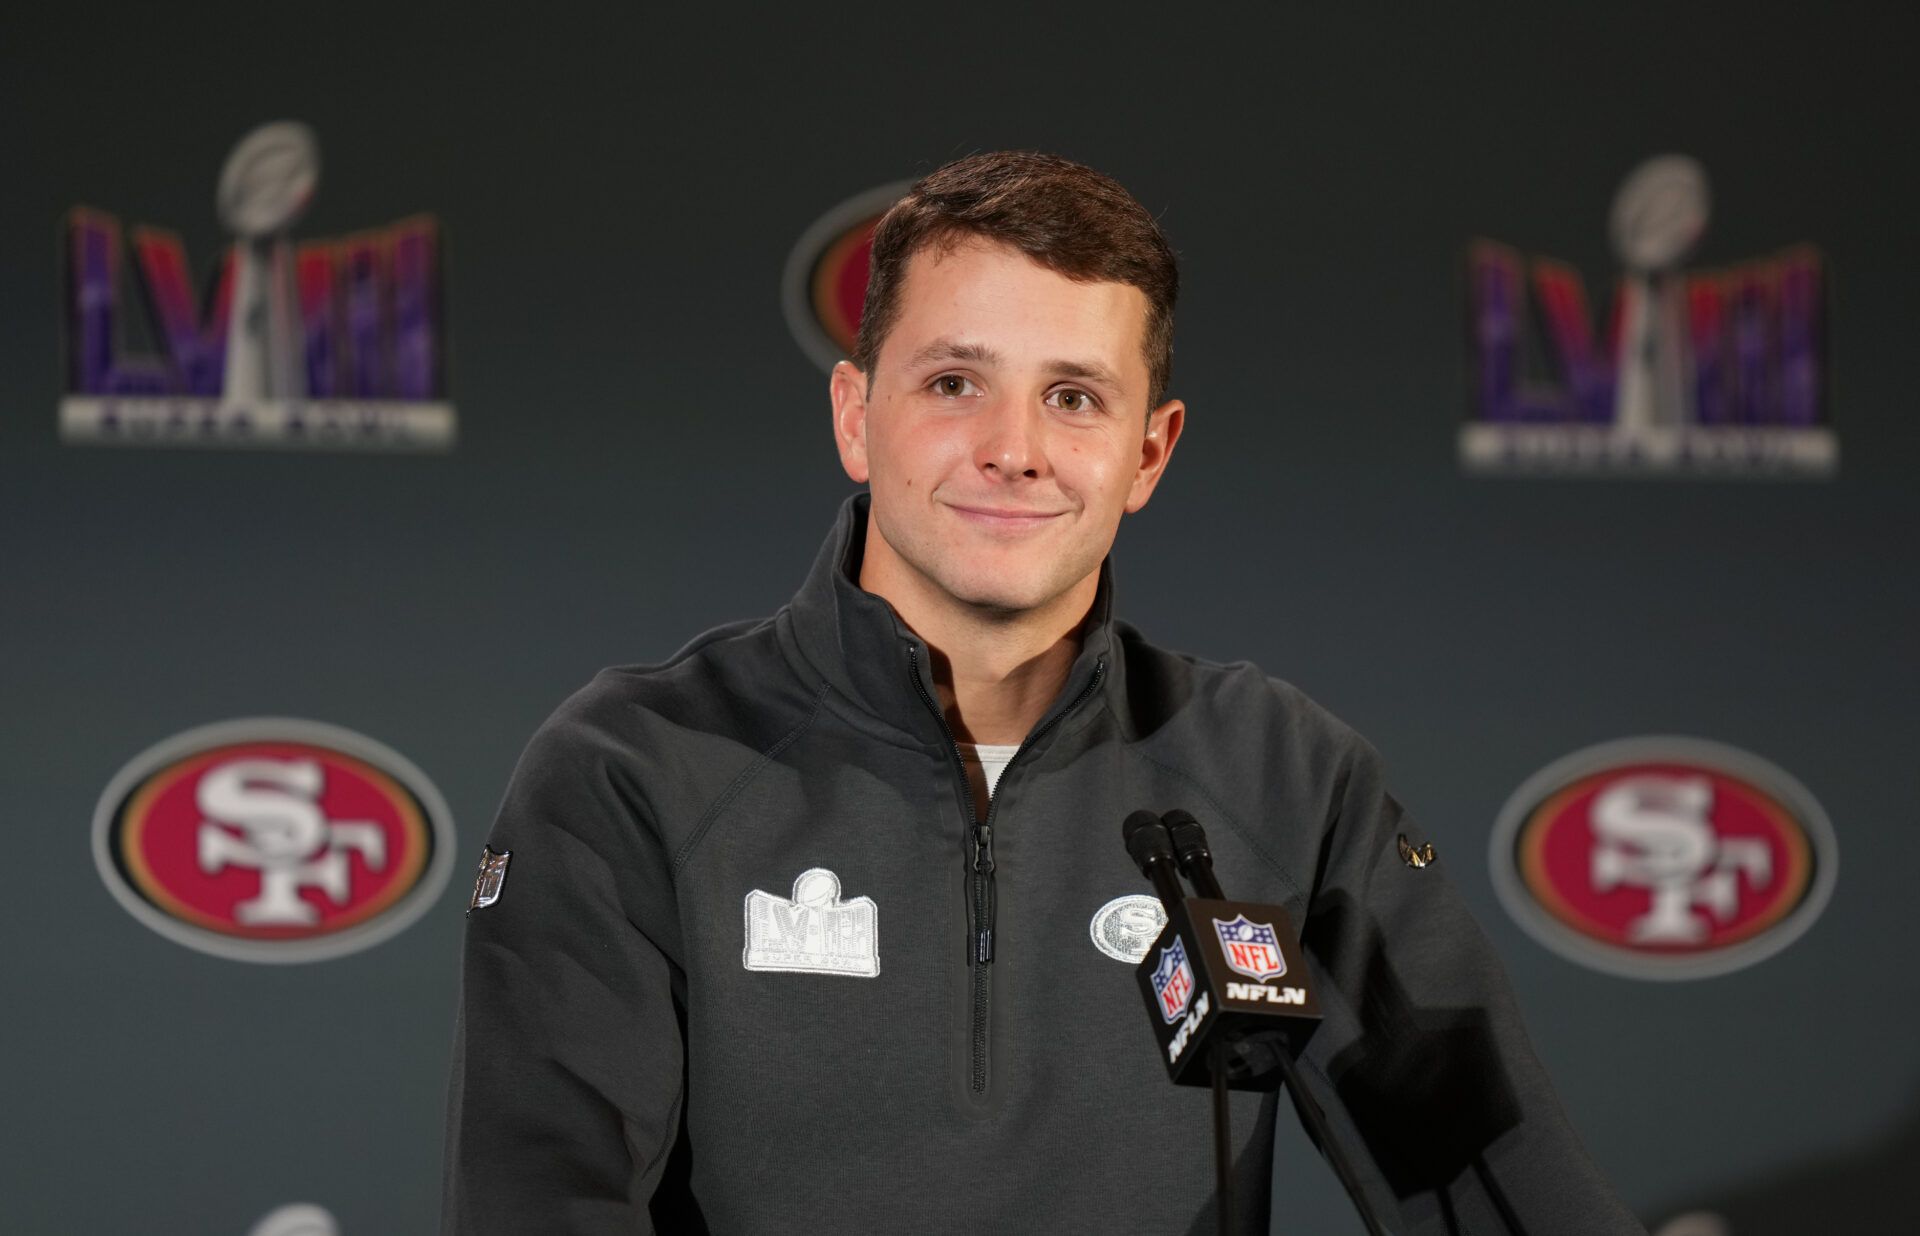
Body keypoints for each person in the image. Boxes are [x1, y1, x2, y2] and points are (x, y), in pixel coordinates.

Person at [441, 151, 1646, 1235]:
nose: (1013, 447)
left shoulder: (1284, 779)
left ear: (1150, 453)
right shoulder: (635, 770)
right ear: (858, 418)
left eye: (1073, 398)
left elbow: (1500, 1193)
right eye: (956, 383)